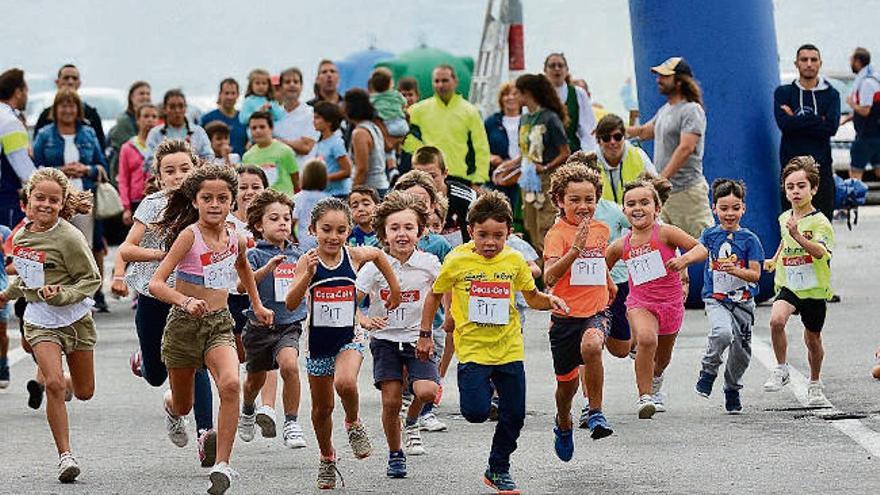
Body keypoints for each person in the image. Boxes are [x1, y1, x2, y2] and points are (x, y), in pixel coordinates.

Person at [418, 190, 568, 494]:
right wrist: (425, 334)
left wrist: (549, 300)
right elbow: (435, 293)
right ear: (470, 231)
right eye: (482, 234)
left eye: (497, 236)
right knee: (475, 412)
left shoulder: (514, 260)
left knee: (515, 414)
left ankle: (498, 468)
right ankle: (480, 384)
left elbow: (532, 296)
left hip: (509, 347)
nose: (489, 242)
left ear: (508, 234)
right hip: (473, 349)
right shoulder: (457, 259)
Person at [149, 165, 274, 495]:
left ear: (233, 201)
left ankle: (222, 465)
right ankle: (171, 407)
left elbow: (243, 267)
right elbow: (156, 283)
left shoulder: (236, 236)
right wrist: (184, 300)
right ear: (195, 201)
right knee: (183, 404)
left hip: (219, 324)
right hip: (184, 327)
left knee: (231, 384)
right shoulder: (189, 236)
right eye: (207, 198)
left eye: (222, 198)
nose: (215, 204)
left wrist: (257, 305)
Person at [285, 197, 401, 489]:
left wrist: (394, 288)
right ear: (313, 230)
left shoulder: (354, 256)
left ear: (349, 231)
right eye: (326, 229)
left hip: (349, 335)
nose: (333, 237)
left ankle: (352, 422)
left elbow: (378, 254)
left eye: (340, 230)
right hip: (319, 342)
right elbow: (290, 302)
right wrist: (308, 275)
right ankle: (327, 457)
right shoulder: (307, 260)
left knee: (346, 383)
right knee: (322, 410)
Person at [119, 140, 218, 467]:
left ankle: (206, 434)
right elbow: (127, 250)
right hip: (153, 294)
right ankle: (149, 370)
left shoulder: (205, 204)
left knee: (197, 363)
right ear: (159, 177)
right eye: (170, 171)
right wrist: (165, 255)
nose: (177, 176)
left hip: (190, 296)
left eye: (184, 169)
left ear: (196, 169)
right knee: (158, 376)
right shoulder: (152, 204)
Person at [0, 168, 98, 483]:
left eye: (53, 200)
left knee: (84, 392)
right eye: (39, 198)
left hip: (75, 318)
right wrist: (6, 294)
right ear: (27, 200)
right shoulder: (21, 236)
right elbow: (27, 278)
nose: (45, 204)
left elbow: (92, 279)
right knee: (52, 383)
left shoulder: (70, 237)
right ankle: (65, 456)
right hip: (40, 319)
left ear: (61, 203)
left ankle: (68, 381)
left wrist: (63, 294)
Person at [604, 179, 708, 418]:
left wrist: (683, 261)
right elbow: (603, 268)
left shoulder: (666, 233)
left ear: (657, 208)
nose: (637, 208)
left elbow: (701, 248)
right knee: (647, 339)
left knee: (663, 357)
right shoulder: (621, 245)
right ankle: (645, 397)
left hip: (671, 304)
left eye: (644, 202)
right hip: (640, 303)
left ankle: (656, 381)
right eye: (631, 204)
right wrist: (606, 288)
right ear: (624, 211)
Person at [356, 191, 441, 477]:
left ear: (421, 231)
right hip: (386, 340)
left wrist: (450, 317)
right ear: (383, 232)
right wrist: (364, 318)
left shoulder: (429, 263)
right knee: (391, 400)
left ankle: (413, 418)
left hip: (419, 337)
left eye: (409, 227)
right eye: (394, 228)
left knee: (426, 391)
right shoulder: (373, 267)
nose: (402, 234)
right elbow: (351, 300)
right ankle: (395, 453)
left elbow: (443, 292)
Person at [542, 163, 620, 461]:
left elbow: (597, 260)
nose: (583, 206)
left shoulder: (601, 229)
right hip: (564, 317)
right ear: (560, 201)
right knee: (566, 387)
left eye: (589, 199)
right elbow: (549, 278)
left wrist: (609, 282)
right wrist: (574, 250)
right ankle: (563, 422)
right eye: (574, 200)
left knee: (592, 346)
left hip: (595, 310)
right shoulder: (556, 235)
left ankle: (597, 412)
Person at [237, 188, 307, 449]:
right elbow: (241, 286)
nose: (282, 224)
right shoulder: (253, 255)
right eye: (274, 218)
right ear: (259, 224)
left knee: (290, 366)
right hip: (258, 327)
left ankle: (291, 422)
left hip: (289, 324)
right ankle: (247, 410)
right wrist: (267, 269)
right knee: (255, 379)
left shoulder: (298, 255)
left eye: (287, 218)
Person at [762, 156, 834, 406]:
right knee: (776, 320)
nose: (795, 191)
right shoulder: (784, 218)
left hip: (813, 289)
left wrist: (798, 235)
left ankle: (815, 383)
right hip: (789, 283)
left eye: (801, 186)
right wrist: (774, 258)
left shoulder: (820, 222)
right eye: (790, 186)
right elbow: (786, 240)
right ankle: (781, 368)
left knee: (812, 339)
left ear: (813, 189)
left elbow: (820, 252)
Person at [32, 88, 110, 312]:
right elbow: (34, 169)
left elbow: (102, 166)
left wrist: (86, 169)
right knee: (54, 246)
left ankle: (83, 296)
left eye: (71, 105)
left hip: (82, 200)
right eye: (63, 105)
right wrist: (60, 171)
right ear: (55, 110)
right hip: (53, 201)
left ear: (78, 109)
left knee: (82, 247)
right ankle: (55, 292)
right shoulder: (45, 134)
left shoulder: (88, 133)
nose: (67, 110)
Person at [569, 151, 632, 428]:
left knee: (620, 349)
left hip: (616, 282)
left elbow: (641, 229)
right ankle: (590, 404)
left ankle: (629, 339)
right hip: (579, 293)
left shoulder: (611, 211)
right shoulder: (565, 217)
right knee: (587, 347)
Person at [694, 179, 764, 414]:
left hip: (743, 303)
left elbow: (755, 275)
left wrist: (737, 271)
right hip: (716, 299)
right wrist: (682, 261)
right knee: (722, 333)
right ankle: (709, 369)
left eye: (735, 208)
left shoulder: (750, 240)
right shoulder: (710, 235)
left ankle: (732, 387)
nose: (729, 213)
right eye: (724, 208)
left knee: (742, 352)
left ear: (743, 208)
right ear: (714, 208)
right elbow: (698, 250)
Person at [626, 57, 713, 239]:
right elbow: (643, 131)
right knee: (664, 247)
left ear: (680, 81)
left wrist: (660, 179)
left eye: (664, 76)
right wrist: (615, 130)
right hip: (666, 195)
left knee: (707, 246)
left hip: (688, 193)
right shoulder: (665, 110)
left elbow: (686, 148)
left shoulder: (691, 110)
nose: (658, 80)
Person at [772, 45, 840, 221]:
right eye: (804, 60)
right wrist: (818, 119)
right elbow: (785, 125)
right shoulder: (784, 93)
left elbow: (831, 128)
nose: (809, 64)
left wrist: (796, 119)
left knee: (822, 232)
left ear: (820, 63)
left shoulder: (831, 95)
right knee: (791, 230)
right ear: (796, 63)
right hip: (791, 173)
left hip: (821, 172)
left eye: (813, 60)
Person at [404, 64, 490, 190]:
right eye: (436, 81)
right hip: (429, 176)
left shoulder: (470, 111)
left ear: (455, 81)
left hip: (461, 177)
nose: (440, 85)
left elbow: (481, 147)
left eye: (445, 80)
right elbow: (403, 135)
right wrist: (422, 152)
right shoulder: (419, 110)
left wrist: (478, 180)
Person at [515, 73, 571, 253]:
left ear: (527, 93)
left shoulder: (550, 118)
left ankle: (552, 274)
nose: (514, 97)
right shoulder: (524, 119)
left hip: (547, 180)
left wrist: (546, 167)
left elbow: (565, 152)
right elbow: (524, 153)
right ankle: (540, 275)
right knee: (530, 227)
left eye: (517, 92)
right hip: (528, 182)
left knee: (545, 228)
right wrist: (506, 167)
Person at [411, 146, 475, 246]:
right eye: (420, 176)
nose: (426, 181)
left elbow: (475, 233)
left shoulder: (464, 198)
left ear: (445, 173)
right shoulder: (406, 197)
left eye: (432, 176)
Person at [34, 64, 105, 150]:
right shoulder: (46, 116)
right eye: (66, 78)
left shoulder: (91, 116)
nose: (70, 82)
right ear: (57, 82)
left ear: (79, 83)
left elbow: (100, 150)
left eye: (74, 78)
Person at [0, 68, 37, 227]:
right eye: (26, 90)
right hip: (6, 199)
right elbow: (26, 172)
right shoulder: (10, 122)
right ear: (18, 92)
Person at [595, 114, 656, 205]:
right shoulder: (590, 162)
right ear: (599, 141)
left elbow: (656, 187)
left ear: (625, 137)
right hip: (600, 218)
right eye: (606, 138)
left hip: (635, 215)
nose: (612, 142)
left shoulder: (638, 155)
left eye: (617, 137)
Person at [543, 53, 597, 153]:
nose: (557, 69)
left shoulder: (578, 93)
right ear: (545, 71)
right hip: (546, 157)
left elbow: (588, 129)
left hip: (572, 153)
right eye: (552, 66)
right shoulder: (537, 95)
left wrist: (588, 154)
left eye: (560, 65)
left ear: (566, 70)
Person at [146, 89, 214, 167]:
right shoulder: (155, 133)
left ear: (186, 108)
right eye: (172, 107)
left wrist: (192, 165)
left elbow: (209, 157)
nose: (177, 110)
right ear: (164, 109)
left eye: (181, 106)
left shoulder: (198, 132)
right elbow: (149, 162)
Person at [484, 81, 523, 214]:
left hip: (523, 173)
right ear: (501, 99)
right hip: (499, 175)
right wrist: (491, 157)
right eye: (506, 94)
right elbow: (481, 147)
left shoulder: (528, 120)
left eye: (514, 94)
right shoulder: (491, 122)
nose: (510, 97)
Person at [117, 103, 158, 226]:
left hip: (158, 199)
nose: (150, 120)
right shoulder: (127, 147)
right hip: (136, 200)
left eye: (154, 116)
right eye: (146, 116)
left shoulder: (162, 145)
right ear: (138, 120)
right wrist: (126, 207)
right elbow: (123, 179)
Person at [241, 111, 300, 195]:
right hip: (259, 204)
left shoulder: (285, 151)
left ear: (271, 128)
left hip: (284, 202)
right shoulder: (247, 156)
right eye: (254, 128)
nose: (258, 131)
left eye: (262, 127)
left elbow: (296, 181)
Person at [345, 89, 390, 195]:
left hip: (370, 191)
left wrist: (352, 194)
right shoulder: (373, 127)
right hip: (380, 187)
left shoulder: (359, 133)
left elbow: (362, 169)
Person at [847, 47, 880, 181]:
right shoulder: (876, 78)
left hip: (866, 136)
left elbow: (866, 110)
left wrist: (851, 104)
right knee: (878, 169)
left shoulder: (866, 83)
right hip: (877, 134)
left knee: (854, 173)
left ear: (857, 61)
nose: (850, 63)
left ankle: (854, 201)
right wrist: (850, 117)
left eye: (851, 60)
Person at [275, 67, 319, 165]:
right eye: (287, 82)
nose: (292, 85)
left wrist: (276, 142)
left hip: (303, 174)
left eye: (296, 82)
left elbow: (306, 147)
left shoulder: (311, 113)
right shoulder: (274, 114)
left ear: (301, 86)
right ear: (281, 87)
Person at [108, 81, 151, 178]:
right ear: (132, 97)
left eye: (148, 94)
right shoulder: (124, 121)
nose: (145, 97)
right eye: (141, 93)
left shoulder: (153, 121)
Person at [313, 101, 352, 198]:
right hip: (326, 195)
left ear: (329, 121)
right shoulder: (320, 142)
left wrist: (323, 178)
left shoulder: (336, 143)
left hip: (339, 194)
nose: (314, 121)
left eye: (317, 118)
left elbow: (347, 171)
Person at [200, 78, 248, 157]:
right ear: (220, 94)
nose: (230, 97)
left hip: (240, 165)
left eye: (233, 93)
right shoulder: (207, 118)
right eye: (226, 93)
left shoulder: (244, 118)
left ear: (238, 95)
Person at [292, 159, 331, 250]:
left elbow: (291, 222)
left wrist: (294, 239)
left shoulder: (298, 198)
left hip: (304, 242)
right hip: (325, 242)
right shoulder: (329, 199)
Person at [368, 68, 409, 138]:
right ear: (391, 83)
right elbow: (404, 104)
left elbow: (370, 107)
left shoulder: (373, 98)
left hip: (384, 126)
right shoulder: (396, 94)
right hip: (400, 125)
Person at [395, 77, 421, 176]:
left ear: (417, 96)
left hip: (417, 154)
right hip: (401, 156)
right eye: (403, 95)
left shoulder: (421, 113)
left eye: (410, 95)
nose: (406, 98)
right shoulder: (395, 115)